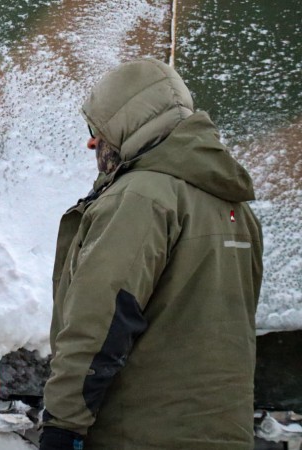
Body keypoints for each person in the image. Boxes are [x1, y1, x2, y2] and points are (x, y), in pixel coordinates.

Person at [39, 57, 263, 449]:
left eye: (97, 129)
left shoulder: (139, 197)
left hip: (139, 434)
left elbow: (99, 323)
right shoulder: (237, 209)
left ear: (131, 125)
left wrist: (62, 424)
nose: (92, 142)